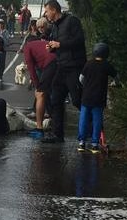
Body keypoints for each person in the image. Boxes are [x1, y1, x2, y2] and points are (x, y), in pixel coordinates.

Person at [42, 0, 87, 143]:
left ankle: (95, 131)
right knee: (55, 99)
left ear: (54, 10)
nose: (46, 14)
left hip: (74, 66)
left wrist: (60, 44)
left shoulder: (72, 21)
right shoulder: (55, 27)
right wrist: (52, 47)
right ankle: (57, 134)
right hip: (61, 67)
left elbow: (79, 40)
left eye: (47, 11)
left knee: (77, 100)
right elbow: (56, 44)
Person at [77, 42, 117, 153]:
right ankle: (95, 144)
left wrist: (86, 85)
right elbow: (116, 77)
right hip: (99, 98)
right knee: (97, 120)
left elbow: (81, 78)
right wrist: (114, 83)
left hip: (86, 97)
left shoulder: (88, 64)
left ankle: (82, 142)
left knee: (83, 119)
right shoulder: (107, 65)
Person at [23, 23, 57, 139]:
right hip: (59, 61)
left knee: (40, 94)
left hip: (51, 64)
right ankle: (55, 123)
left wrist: (37, 85)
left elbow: (31, 68)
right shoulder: (43, 43)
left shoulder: (28, 47)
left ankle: (39, 129)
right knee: (53, 93)